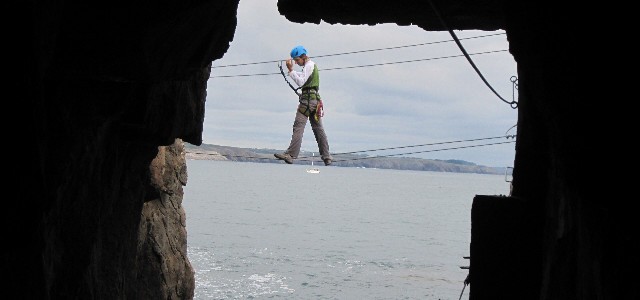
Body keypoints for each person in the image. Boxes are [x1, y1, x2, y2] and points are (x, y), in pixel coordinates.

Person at [275, 45, 333, 166]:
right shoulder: (310, 66)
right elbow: (303, 77)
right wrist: (291, 71)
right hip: (314, 101)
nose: (296, 62)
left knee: (298, 126)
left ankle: (290, 154)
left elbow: (301, 82)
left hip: (307, 102)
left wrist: (290, 71)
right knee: (318, 129)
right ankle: (326, 156)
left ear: (302, 57)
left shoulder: (309, 65)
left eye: (297, 60)